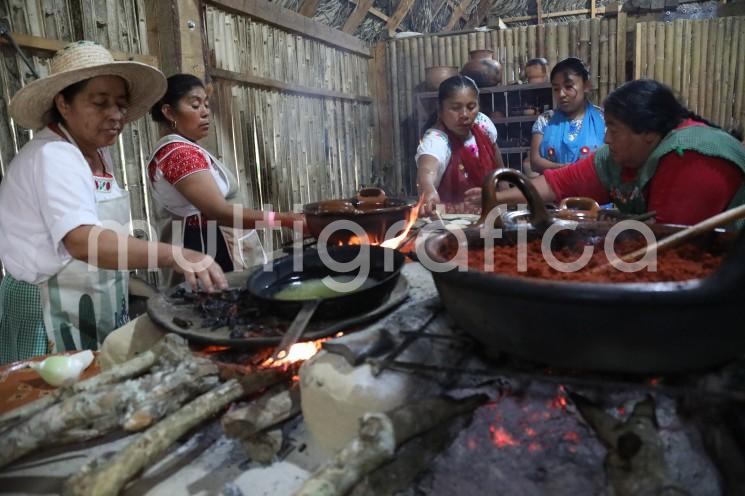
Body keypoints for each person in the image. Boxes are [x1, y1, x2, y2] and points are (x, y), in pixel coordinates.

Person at [0, 41, 227, 363]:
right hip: (47, 307)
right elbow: (82, 241)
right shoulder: (53, 155)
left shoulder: (93, 150)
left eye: (120, 104)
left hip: (92, 298)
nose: (115, 114)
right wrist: (177, 254)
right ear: (63, 103)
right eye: (99, 102)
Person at [490, 79, 745, 227]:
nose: (605, 138)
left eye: (613, 128)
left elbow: (669, 246)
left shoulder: (692, 158)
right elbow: (560, 183)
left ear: (647, 132)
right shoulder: (625, 154)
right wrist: (495, 198)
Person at [147, 74, 304, 285]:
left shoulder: (184, 148)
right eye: (195, 105)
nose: (205, 112)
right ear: (168, 112)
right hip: (207, 248)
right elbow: (218, 212)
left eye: (205, 104)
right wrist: (285, 219)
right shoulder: (178, 154)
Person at [416, 75, 505, 215]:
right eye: (456, 108)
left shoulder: (483, 123)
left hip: (491, 215)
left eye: (471, 107)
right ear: (440, 110)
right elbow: (427, 169)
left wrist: (505, 192)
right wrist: (428, 189)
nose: (465, 114)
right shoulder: (437, 139)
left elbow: (495, 155)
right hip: (453, 224)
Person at [530, 57, 605, 174]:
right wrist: (568, 170)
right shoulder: (545, 120)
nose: (561, 94)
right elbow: (535, 162)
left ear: (586, 86)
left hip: (593, 191)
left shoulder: (603, 119)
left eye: (569, 87)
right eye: (556, 88)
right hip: (551, 190)